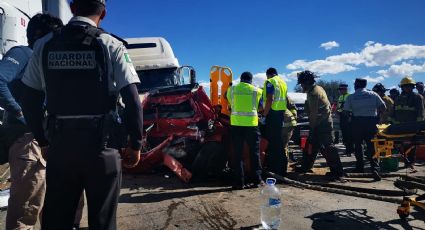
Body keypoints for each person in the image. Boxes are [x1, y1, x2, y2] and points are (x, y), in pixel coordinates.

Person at [20, 0, 143, 228]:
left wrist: (43, 141)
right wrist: (135, 143)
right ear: (103, 13)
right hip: (102, 149)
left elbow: (29, 98)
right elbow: (132, 99)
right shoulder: (110, 44)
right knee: (103, 221)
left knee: (57, 218)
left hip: (60, 148)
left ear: (73, 8)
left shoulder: (45, 44)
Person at [0, 13, 63, 230]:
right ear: (40, 36)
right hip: (26, 139)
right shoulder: (24, 53)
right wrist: (21, 114)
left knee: (48, 201)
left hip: (42, 138)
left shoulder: (41, 61)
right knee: (26, 206)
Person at [296, 71, 345, 181]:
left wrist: (312, 128)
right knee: (311, 145)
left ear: (307, 82)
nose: (301, 86)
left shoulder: (314, 93)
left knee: (328, 147)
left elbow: (313, 113)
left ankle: (338, 172)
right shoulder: (316, 89)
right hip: (321, 122)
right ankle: (306, 167)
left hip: (322, 124)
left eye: (302, 83)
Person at [226, 72, 264, 190]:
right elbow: (261, 107)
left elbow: (229, 104)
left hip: (236, 125)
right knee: (255, 153)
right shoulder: (257, 91)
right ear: (251, 80)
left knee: (238, 154)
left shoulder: (232, 90)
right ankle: (257, 181)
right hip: (252, 125)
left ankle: (239, 183)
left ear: (241, 79)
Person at [344, 78, 385, 181]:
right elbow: (383, 107)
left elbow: (346, 112)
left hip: (357, 122)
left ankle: (359, 167)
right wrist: (378, 116)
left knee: (358, 145)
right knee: (371, 145)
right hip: (371, 122)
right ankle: (375, 168)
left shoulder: (351, 97)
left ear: (356, 85)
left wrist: (351, 118)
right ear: (365, 85)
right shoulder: (373, 95)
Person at [392, 76, 424, 171]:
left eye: (409, 86)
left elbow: (421, 112)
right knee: (401, 144)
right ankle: (405, 161)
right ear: (401, 87)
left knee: (411, 145)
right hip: (399, 126)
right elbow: (394, 111)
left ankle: (410, 163)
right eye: (405, 86)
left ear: (413, 87)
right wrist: (392, 122)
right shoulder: (398, 98)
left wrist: (419, 126)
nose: (407, 88)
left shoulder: (417, 97)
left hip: (411, 126)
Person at [262, 67, 288, 176]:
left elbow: (270, 99)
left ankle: (274, 168)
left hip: (272, 114)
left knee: (273, 143)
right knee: (278, 142)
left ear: (268, 74)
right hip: (280, 114)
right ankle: (281, 168)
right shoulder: (283, 83)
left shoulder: (270, 81)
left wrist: (264, 115)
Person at [336, 83, 354, 156]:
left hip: (348, 117)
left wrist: (350, 116)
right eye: (339, 89)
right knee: (344, 134)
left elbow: (352, 107)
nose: (340, 91)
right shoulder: (340, 97)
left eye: (341, 89)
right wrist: (337, 111)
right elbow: (339, 106)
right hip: (342, 117)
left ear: (345, 89)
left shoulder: (349, 96)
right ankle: (348, 149)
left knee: (349, 134)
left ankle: (350, 150)